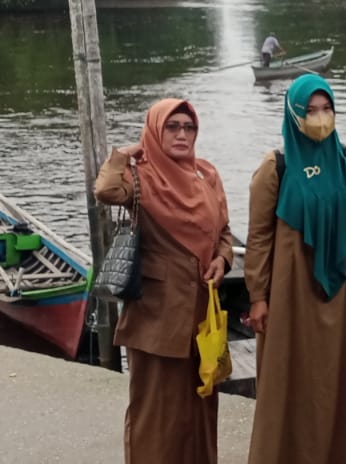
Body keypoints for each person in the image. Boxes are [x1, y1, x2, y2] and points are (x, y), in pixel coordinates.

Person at [244, 74, 346, 464]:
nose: (320, 118)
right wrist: (258, 297)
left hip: (340, 295)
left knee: (344, 376)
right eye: (310, 111)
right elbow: (258, 238)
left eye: (327, 109)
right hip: (290, 293)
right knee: (292, 376)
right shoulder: (275, 169)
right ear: (294, 114)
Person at [94, 98, 237, 464]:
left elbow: (224, 231)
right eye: (172, 127)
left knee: (200, 409)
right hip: (157, 317)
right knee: (156, 414)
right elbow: (105, 191)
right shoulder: (141, 176)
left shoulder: (207, 175)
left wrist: (222, 258)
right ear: (156, 131)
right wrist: (125, 153)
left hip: (202, 316)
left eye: (188, 128)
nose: (182, 134)